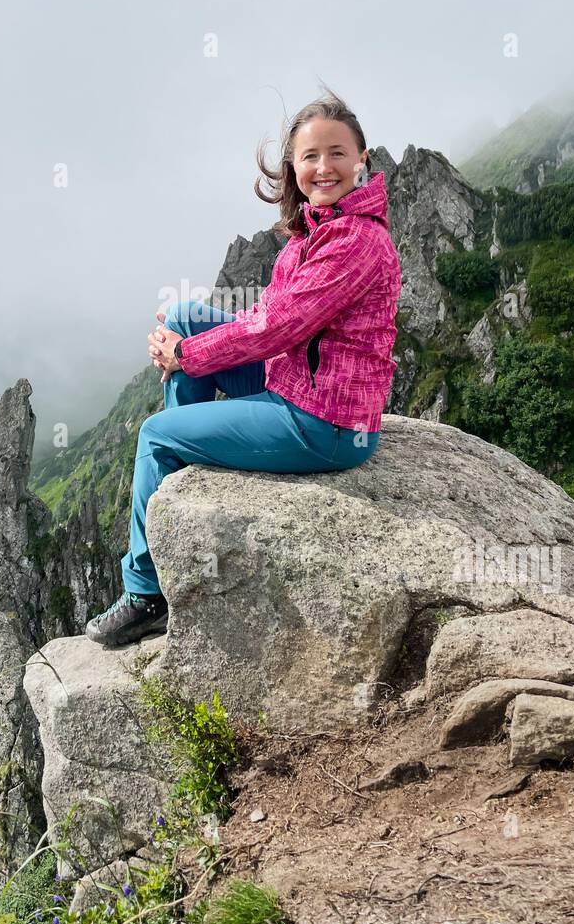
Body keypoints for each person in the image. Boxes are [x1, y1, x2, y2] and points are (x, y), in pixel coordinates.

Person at [86, 88, 402, 646]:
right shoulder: (316, 231)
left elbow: (278, 329)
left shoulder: (357, 242)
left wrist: (186, 357)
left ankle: (145, 594)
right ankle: (184, 487)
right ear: (293, 167)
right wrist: (187, 339)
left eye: (337, 153)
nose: (323, 167)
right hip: (294, 383)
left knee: (157, 435)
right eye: (310, 156)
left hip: (327, 424)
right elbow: (268, 314)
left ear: (362, 161)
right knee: (185, 315)